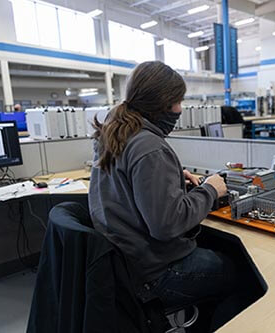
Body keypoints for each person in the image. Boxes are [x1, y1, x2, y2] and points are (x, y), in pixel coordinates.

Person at [88, 61, 237, 331]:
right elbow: (166, 225)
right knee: (240, 273)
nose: (180, 109)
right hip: (155, 273)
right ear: (161, 103)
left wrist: (170, 176)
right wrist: (210, 190)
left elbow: (126, 180)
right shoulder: (150, 147)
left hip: (124, 263)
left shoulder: (114, 130)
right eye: (177, 101)